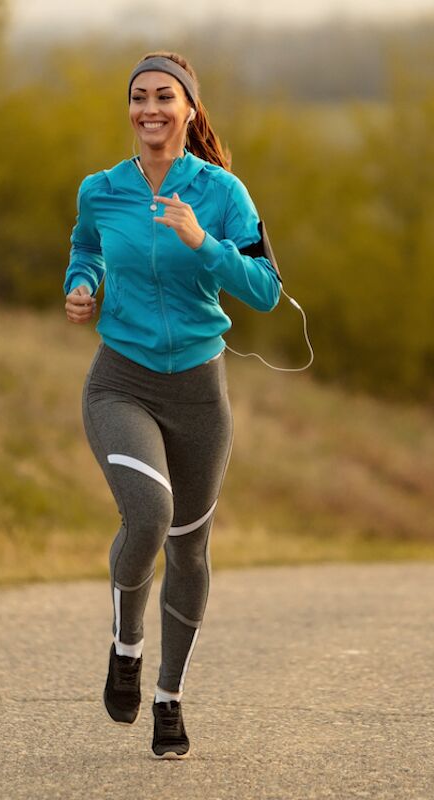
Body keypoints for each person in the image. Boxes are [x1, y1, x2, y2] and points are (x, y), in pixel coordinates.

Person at [63, 51, 281, 760]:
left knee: (189, 547)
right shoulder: (101, 190)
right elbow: (86, 249)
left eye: (164, 97)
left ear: (190, 109)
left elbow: (265, 289)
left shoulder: (224, 194)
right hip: (119, 381)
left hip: (199, 392)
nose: (149, 109)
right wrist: (83, 284)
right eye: (138, 98)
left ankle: (169, 698)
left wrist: (203, 242)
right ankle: (126, 643)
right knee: (148, 515)